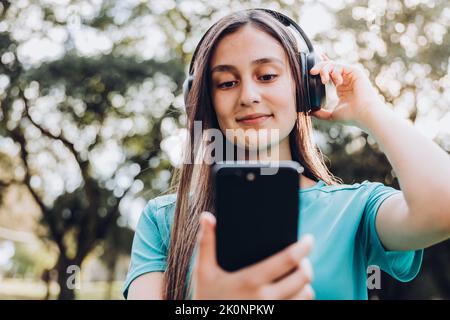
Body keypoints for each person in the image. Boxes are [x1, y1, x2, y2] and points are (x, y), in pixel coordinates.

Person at [123, 9, 450, 300]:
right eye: (226, 83)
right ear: (205, 99)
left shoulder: (354, 209)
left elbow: (443, 207)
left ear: (304, 88)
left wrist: (371, 111)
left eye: (266, 76)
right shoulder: (165, 220)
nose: (249, 95)